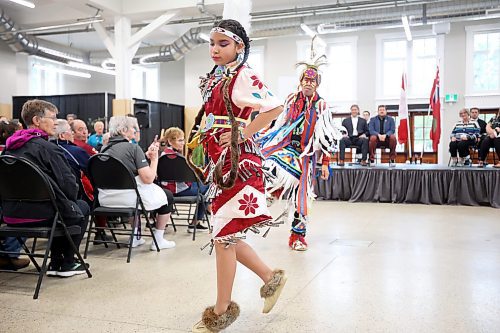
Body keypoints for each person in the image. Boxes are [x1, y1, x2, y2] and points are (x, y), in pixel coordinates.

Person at [187, 19, 286, 333]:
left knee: (224, 237)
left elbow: (274, 107)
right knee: (224, 233)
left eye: (223, 44)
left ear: (239, 46)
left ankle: (221, 310)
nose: (215, 50)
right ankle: (271, 278)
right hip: (221, 161)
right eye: (212, 44)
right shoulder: (218, 75)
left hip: (238, 162)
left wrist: (242, 133)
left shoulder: (244, 74)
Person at [259, 41, 341, 252]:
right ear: (301, 81)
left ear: (317, 84)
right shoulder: (291, 100)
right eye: (306, 80)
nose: (309, 84)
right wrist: (266, 134)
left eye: (313, 82)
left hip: (307, 155)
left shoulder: (321, 106)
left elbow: (325, 137)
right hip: (287, 147)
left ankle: (298, 237)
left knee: (302, 198)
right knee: (267, 160)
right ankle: (274, 190)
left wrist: (325, 162)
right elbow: (279, 124)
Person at [2, 100, 89, 277]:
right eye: (52, 118)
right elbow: (69, 187)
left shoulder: (8, 150)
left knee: (62, 208)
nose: (56, 122)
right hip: (43, 215)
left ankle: (57, 261)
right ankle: (65, 263)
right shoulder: (49, 149)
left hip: (11, 214)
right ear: (37, 120)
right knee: (79, 207)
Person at [98, 116, 176, 250]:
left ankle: (135, 237)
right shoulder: (133, 148)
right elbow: (149, 178)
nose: (135, 130)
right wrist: (154, 158)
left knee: (136, 194)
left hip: (105, 200)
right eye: (133, 127)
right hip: (130, 200)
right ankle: (158, 240)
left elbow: (124, 165)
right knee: (167, 196)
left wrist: (144, 156)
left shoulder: (103, 150)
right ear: (123, 130)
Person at [160, 127, 209, 232]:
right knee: (209, 188)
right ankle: (196, 222)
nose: (183, 143)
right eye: (180, 140)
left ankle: (159, 221)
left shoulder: (161, 156)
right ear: (170, 141)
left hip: (165, 192)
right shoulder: (181, 159)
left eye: (183, 140)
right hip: (182, 191)